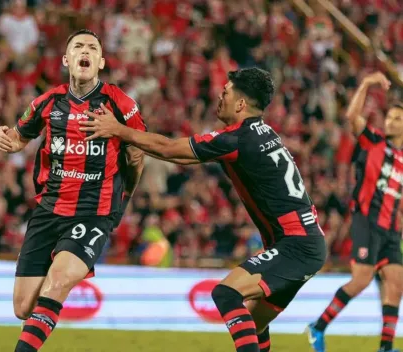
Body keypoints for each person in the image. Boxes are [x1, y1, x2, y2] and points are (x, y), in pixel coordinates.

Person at [79, 67, 327, 352]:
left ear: (241, 104)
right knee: (255, 326)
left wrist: (118, 130)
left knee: (226, 293)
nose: (219, 97)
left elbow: (171, 149)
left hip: (296, 245)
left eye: (225, 93)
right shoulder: (264, 132)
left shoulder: (237, 138)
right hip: (306, 242)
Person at [0, 29, 146, 352]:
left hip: (94, 212)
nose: (85, 51)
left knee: (58, 280)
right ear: (67, 60)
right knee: (23, 307)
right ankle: (40, 322)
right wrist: (5, 139)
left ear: (101, 61)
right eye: (78, 46)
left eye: (92, 47)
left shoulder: (121, 104)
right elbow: (19, 136)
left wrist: (124, 197)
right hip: (49, 211)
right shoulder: (48, 102)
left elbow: (136, 155)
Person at [306, 72, 403, 352]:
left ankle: (386, 346)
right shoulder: (374, 140)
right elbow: (352, 117)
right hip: (366, 221)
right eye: (390, 117)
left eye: (398, 119)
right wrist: (366, 83)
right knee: (361, 280)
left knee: (395, 285)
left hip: (390, 229)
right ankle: (318, 327)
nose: (391, 121)